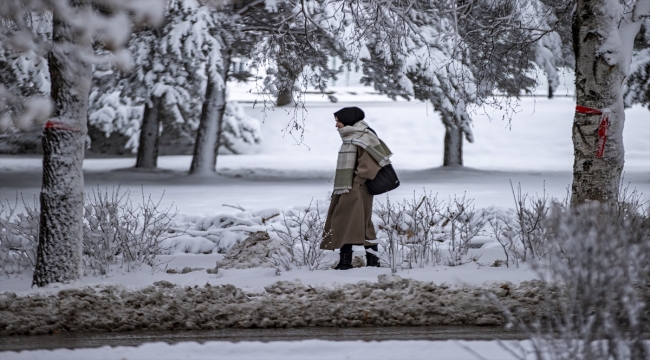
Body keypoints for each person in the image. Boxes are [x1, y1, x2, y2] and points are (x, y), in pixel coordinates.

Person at [320, 106, 393, 270]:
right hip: (348, 187)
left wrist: (356, 182)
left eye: (338, 121)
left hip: (356, 189)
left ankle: (347, 262)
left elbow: (369, 165)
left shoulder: (362, 137)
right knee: (356, 224)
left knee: (350, 222)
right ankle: (369, 261)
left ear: (348, 119)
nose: (336, 125)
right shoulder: (352, 137)